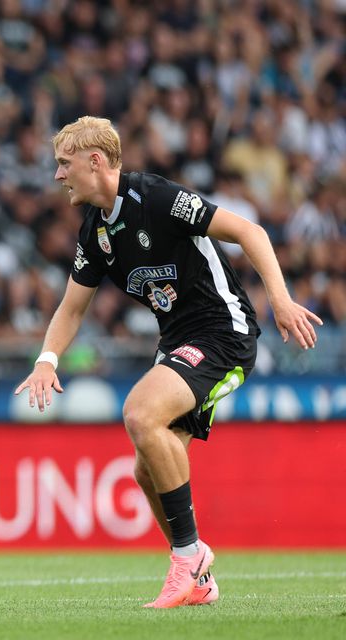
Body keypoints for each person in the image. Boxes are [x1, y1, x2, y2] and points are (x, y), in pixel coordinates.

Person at [16, 116, 322, 609]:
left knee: (140, 412)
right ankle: (196, 565)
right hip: (178, 343)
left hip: (224, 332)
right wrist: (47, 360)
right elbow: (71, 308)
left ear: (95, 162)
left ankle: (187, 561)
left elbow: (249, 230)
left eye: (63, 163)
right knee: (144, 469)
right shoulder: (95, 232)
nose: (57, 175)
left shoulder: (155, 198)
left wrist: (281, 300)